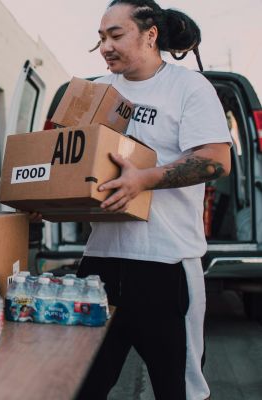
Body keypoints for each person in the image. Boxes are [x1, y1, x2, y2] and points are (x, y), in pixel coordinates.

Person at [75, 1, 231, 399]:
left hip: (166, 266)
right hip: (101, 265)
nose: (105, 46)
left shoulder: (188, 87)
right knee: (80, 383)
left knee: (177, 388)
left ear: (150, 35)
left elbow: (216, 161)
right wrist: (54, 196)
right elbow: (72, 161)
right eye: (101, 38)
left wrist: (143, 179)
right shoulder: (97, 91)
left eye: (115, 35)